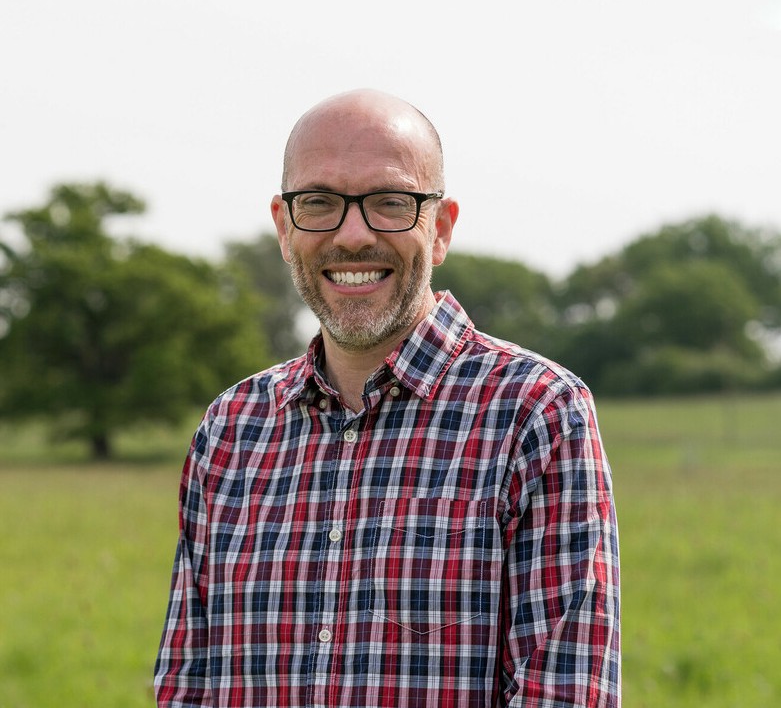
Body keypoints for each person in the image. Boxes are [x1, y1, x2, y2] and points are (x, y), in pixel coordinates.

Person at [154, 89, 621, 707]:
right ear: (283, 228)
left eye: (390, 203)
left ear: (443, 227)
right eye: (318, 202)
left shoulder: (537, 413)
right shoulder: (232, 429)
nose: (353, 235)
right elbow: (188, 688)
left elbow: (563, 693)